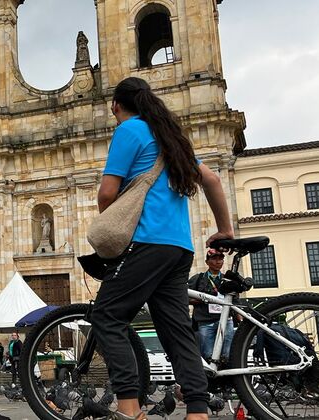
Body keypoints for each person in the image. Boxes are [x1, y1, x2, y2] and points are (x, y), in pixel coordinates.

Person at [88, 76, 233, 420]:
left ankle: (128, 406)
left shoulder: (129, 131)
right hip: (179, 247)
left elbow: (107, 194)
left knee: (107, 315)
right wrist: (224, 229)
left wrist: (114, 220)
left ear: (116, 106)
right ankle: (197, 410)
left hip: (147, 241)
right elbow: (211, 179)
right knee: (174, 328)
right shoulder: (170, 137)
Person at [189, 249, 241, 361]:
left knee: (227, 355)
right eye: (214, 259)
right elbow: (186, 298)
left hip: (226, 320)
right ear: (207, 262)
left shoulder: (228, 280)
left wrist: (240, 320)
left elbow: (235, 301)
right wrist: (204, 299)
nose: (218, 262)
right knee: (208, 354)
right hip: (205, 321)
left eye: (220, 259)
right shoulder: (197, 279)